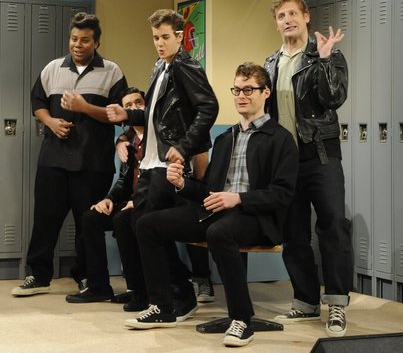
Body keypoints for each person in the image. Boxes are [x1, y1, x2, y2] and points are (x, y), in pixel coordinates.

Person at [124, 62, 298, 348]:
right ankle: (163, 306)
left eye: (248, 90)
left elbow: (282, 194)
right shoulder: (226, 138)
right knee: (147, 224)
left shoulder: (280, 139)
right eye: (236, 90)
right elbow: (207, 191)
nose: (241, 96)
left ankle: (241, 319)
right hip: (216, 212)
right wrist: (182, 183)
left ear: (265, 92)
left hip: (255, 217)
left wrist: (238, 198)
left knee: (219, 233)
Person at [106, 9, 219, 319]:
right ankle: (176, 293)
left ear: (179, 37)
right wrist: (128, 115)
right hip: (150, 162)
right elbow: (156, 114)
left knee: (147, 227)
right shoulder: (160, 66)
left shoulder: (186, 65)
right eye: (155, 37)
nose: (159, 43)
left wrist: (184, 147)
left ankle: (166, 301)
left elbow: (209, 107)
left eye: (165, 37)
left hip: (165, 164)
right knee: (142, 226)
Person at [11, 12, 128, 296]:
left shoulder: (112, 72)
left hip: (93, 163)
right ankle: (38, 276)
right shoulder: (53, 68)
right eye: (74, 39)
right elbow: (37, 102)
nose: (77, 45)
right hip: (53, 160)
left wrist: (84, 107)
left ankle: (87, 276)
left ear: (96, 43)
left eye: (85, 40)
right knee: (45, 220)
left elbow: (119, 115)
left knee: (86, 225)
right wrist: (50, 122)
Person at [263, 0, 352, 337]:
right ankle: (305, 299)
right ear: (276, 23)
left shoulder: (327, 54)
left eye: (292, 14)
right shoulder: (271, 63)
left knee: (333, 225)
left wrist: (325, 60)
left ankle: (337, 303)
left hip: (320, 153)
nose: (287, 20)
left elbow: (334, 98)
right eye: (281, 16)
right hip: (284, 160)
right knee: (293, 232)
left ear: (306, 17)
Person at [65, 87, 146, 304]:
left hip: (150, 201)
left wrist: (137, 201)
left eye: (138, 103)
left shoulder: (158, 137)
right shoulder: (128, 141)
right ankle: (98, 286)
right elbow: (123, 180)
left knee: (122, 219)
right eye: (128, 105)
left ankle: (138, 288)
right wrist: (108, 198)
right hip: (130, 202)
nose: (134, 108)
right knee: (91, 217)